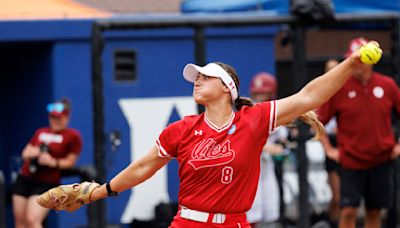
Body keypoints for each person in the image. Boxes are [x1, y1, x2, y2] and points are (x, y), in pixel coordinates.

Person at [39, 42, 375, 227]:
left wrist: (351, 62)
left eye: (205, 77)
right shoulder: (182, 130)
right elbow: (144, 167)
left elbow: (308, 98)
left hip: (235, 224)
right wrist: (98, 192)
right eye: (195, 77)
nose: (197, 80)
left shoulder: (253, 120)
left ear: (227, 88)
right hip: (188, 223)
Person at [318, 38, 400, 228]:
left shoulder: (387, 85)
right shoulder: (340, 87)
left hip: (381, 160)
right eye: (353, 59)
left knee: (374, 212)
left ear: (370, 61)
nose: (356, 64)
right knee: (348, 210)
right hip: (351, 161)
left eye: (360, 60)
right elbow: (319, 121)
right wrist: (329, 149)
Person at [12, 98, 83, 228]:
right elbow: (25, 152)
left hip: (46, 182)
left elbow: (70, 161)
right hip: (26, 177)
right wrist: (33, 153)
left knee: (32, 219)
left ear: (66, 118)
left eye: (58, 118)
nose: (55, 121)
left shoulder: (72, 136)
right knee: (20, 221)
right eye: (52, 118)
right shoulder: (41, 132)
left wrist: (52, 162)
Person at [246, 72, 288, 227]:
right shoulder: (246, 112)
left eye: (263, 94)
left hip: (267, 167)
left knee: (270, 212)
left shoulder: (277, 112)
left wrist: (281, 148)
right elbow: (242, 137)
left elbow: (283, 142)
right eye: (257, 94)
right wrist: (266, 147)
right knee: (251, 214)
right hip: (248, 169)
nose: (259, 97)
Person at [322, 59, 341, 228]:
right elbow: (318, 123)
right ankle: (331, 223)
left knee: (349, 199)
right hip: (333, 146)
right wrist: (328, 148)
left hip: (349, 145)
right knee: (337, 197)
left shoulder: (347, 89)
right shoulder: (321, 93)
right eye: (329, 70)